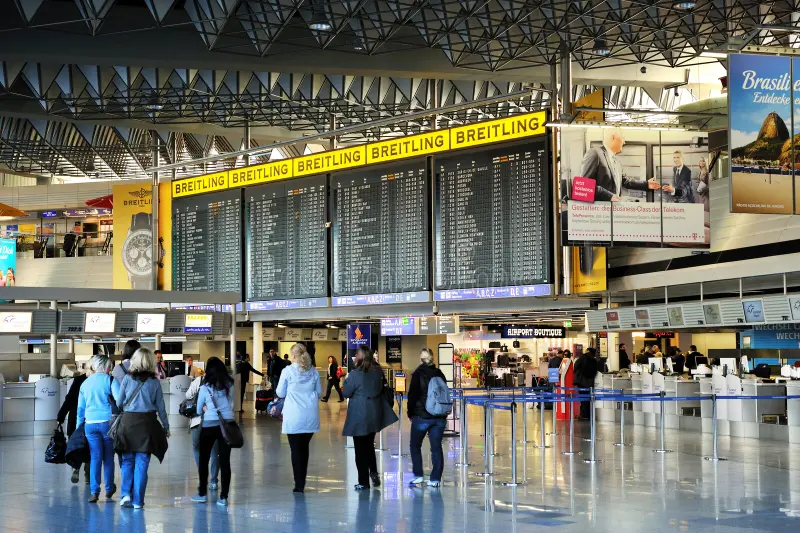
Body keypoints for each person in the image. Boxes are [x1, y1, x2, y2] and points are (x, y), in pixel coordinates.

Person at [113, 347, 170, 509]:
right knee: (142, 463)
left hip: (128, 424)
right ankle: (138, 501)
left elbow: (119, 403)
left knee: (127, 461)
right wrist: (166, 427)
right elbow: (161, 408)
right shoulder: (154, 383)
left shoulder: (127, 380)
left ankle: (125, 495)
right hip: (147, 425)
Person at [342, 346, 398, 490]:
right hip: (375, 412)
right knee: (369, 444)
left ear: (359, 357)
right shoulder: (378, 371)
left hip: (359, 415)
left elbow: (347, 393)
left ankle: (363, 481)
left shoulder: (355, 374)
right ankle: (373, 472)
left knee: (360, 449)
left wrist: (346, 381)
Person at [276, 344, 322, 493]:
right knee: (304, 448)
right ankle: (302, 480)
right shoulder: (313, 371)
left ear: (293, 356)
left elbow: (280, 393)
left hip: (293, 415)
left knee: (295, 449)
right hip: (310, 415)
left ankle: (299, 484)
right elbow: (319, 392)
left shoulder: (287, 371)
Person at [191, 357, 235, 506]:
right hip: (227, 425)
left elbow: (198, 410)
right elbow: (231, 405)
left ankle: (202, 493)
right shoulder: (229, 385)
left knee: (204, 460)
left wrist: (205, 408)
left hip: (209, 425)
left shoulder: (204, 388)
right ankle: (223, 497)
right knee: (225, 461)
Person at [77, 354, 120, 502]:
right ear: (107, 367)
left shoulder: (85, 384)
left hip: (90, 424)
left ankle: (94, 491)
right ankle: (109, 489)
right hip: (107, 423)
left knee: (95, 457)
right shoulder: (110, 380)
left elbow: (80, 409)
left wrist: (78, 428)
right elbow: (120, 401)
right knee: (108, 457)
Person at [579, 127, 661, 201]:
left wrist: (646, 184)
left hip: (612, 210)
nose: (624, 142)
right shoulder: (595, 153)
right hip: (598, 210)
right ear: (613, 137)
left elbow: (625, 181)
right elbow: (584, 185)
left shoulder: (616, 161)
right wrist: (609, 196)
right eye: (622, 138)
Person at [406, 348, 448, 487]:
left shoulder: (418, 374)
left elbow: (412, 396)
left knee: (415, 445)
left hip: (422, 416)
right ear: (433, 358)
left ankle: (418, 475)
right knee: (436, 447)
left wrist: (410, 413)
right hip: (439, 415)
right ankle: (435, 479)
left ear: (420, 359)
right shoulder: (440, 373)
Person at [186, 374, 219, 492]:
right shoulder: (220, 382)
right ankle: (214, 481)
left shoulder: (199, 380)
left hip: (197, 420)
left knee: (197, 447)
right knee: (215, 451)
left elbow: (188, 395)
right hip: (214, 421)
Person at [57, 370, 89, 484]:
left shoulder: (79, 380)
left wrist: (61, 416)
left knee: (75, 444)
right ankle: (87, 474)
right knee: (89, 445)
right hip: (89, 417)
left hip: (75, 417)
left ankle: (75, 468)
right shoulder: (99, 380)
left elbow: (69, 399)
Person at [572, 348, 598, 420]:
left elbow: (575, 367)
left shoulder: (582, 358)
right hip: (590, 382)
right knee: (588, 398)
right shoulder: (594, 360)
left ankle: (584, 415)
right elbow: (595, 371)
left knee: (583, 398)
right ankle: (589, 414)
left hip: (581, 381)